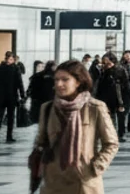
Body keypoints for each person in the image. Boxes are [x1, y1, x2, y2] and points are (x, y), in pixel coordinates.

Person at [30, 60, 118, 194]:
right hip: (54, 182)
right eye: (57, 80)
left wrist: (95, 167)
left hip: (84, 181)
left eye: (65, 80)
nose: (59, 84)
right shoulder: (47, 108)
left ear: (78, 82)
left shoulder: (95, 108)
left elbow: (111, 143)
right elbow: (41, 141)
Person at [93, 54, 130, 144]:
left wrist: (126, 100)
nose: (103, 62)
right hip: (106, 99)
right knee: (110, 118)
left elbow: (126, 85)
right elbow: (98, 84)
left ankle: (120, 134)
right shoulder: (102, 71)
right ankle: (112, 136)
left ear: (111, 60)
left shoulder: (119, 70)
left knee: (120, 117)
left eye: (105, 60)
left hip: (118, 99)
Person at [0, 52, 25, 143]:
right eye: (10, 59)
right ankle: (8, 136)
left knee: (0, 116)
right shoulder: (16, 69)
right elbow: (19, 83)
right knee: (10, 117)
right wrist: (22, 95)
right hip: (11, 97)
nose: (11, 61)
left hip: (1, 97)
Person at [27, 61, 57, 127]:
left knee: (42, 122)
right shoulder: (55, 77)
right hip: (50, 102)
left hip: (39, 103)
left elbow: (31, 89)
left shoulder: (37, 76)